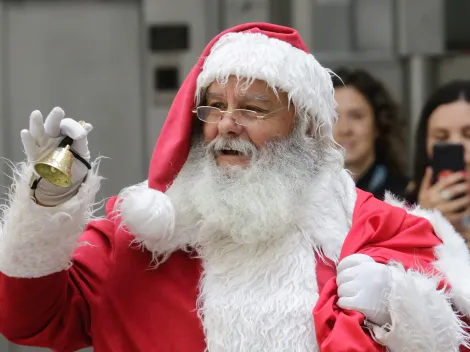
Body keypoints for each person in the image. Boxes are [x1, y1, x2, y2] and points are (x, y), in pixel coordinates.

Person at [0, 22, 470, 352]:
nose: (226, 124)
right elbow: (30, 318)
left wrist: (399, 311)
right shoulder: (145, 234)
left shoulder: (374, 229)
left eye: (254, 108)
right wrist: (48, 203)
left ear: (305, 127)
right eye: (214, 106)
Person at [332, 67, 410, 200]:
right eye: (332, 117)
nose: (345, 129)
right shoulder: (301, 199)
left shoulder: (408, 198)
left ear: (378, 125)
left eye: (356, 116)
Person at [410, 80, 470, 241]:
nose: (457, 145)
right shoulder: (402, 207)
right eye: (441, 138)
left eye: (468, 135)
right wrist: (423, 222)